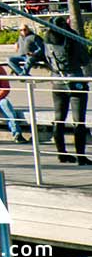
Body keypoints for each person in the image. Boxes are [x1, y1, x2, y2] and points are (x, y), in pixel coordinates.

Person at [45, 16, 91, 165]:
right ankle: (81, 156)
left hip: (57, 81)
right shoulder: (72, 38)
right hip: (76, 80)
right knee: (79, 120)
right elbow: (84, 59)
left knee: (59, 118)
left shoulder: (47, 40)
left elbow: (47, 59)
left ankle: (62, 153)